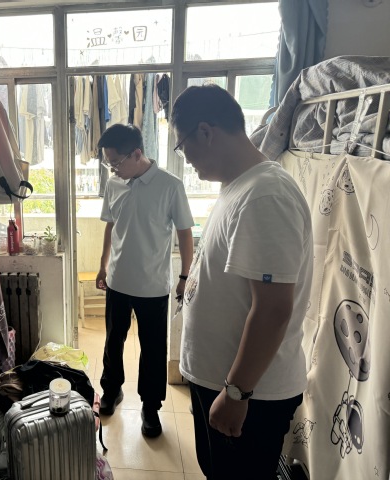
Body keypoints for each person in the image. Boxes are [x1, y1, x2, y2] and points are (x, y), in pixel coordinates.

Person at [171, 84, 313, 479]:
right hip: (227, 385)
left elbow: (273, 310)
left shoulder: (265, 194)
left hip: (250, 395)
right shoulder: (239, 186)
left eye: (182, 146)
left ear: (205, 132)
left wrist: (236, 392)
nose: (186, 159)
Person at [95, 123, 194, 438]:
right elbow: (111, 225)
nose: (113, 169)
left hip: (153, 286)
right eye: (109, 163)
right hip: (117, 281)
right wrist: (102, 266)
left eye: (116, 162)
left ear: (137, 154)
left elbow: (185, 232)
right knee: (113, 341)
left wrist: (185, 275)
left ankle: (150, 407)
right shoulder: (115, 183)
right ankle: (111, 390)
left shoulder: (170, 185)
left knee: (152, 349)